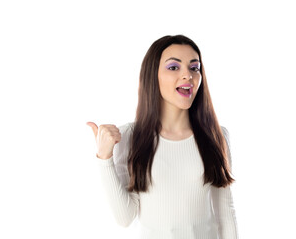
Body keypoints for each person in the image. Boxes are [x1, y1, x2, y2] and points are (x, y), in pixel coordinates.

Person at [86, 34, 239, 239]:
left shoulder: (216, 136)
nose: (188, 75)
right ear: (153, 75)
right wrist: (105, 159)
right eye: (174, 67)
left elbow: (225, 214)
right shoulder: (129, 137)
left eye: (194, 68)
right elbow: (125, 218)